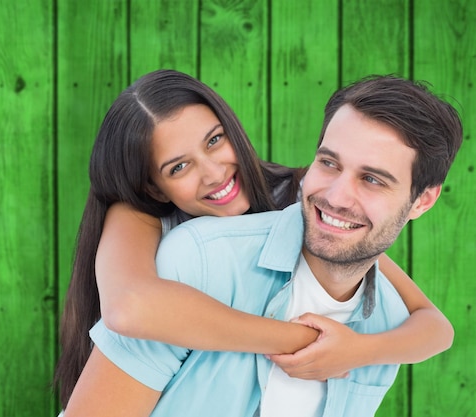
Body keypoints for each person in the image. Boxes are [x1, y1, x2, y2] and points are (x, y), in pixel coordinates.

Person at [62, 74, 463, 417]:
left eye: (215, 140)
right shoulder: (145, 220)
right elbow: (129, 308)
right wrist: (303, 342)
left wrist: (360, 351)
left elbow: (433, 325)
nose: (215, 172)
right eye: (178, 167)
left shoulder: (302, 196)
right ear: (153, 186)